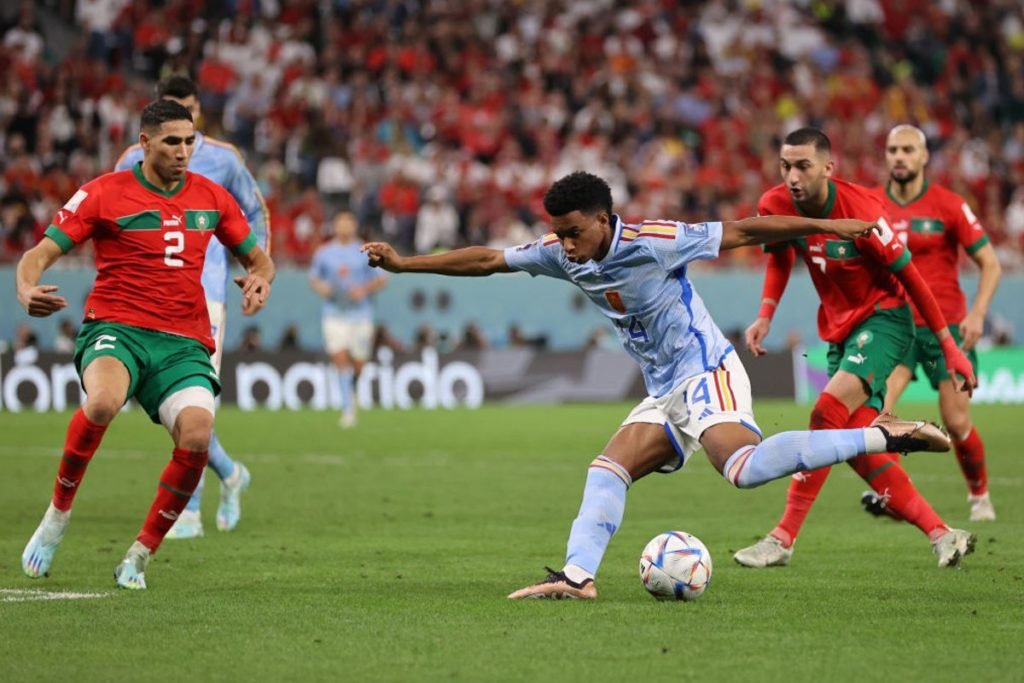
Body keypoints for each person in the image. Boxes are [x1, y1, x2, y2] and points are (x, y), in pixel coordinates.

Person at [363, 170, 953, 600]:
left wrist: (827, 225)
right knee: (606, 469)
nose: (565, 246)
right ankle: (577, 578)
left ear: (601, 220)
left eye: (573, 232)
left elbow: (749, 232)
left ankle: (883, 436)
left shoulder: (657, 239)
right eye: (558, 235)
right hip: (664, 387)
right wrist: (404, 264)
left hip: (707, 371)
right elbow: (489, 261)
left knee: (742, 469)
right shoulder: (563, 254)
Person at [18, 100, 275, 590]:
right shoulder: (102, 193)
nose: (183, 152)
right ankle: (56, 518)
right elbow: (39, 252)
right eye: (171, 142)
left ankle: (139, 555)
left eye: (189, 141)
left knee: (198, 436)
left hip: (183, 342)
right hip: (118, 328)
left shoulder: (214, 198)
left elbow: (259, 260)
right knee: (103, 402)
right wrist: (26, 287)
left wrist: (260, 280)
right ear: (144, 143)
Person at [733, 128, 977, 571]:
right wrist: (766, 313)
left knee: (825, 414)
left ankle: (782, 537)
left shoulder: (862, 212)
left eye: (803, 166)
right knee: (857, 447)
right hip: (840, 331)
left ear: (828, 168)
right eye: (785, 166)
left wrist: (950, 347)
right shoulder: (774, 204)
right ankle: (943, 533)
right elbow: (780, 254)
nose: (792, 176)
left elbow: (913, 279)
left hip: (885, 320)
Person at [114, 76, 271, 539]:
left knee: (193, 408)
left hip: (205, 299)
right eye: (172, 111)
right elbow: (109, 216)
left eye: (188, 110)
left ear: (198, 110)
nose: (183, 125)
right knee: (160, 405)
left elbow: (256, 211)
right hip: (142, 301)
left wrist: (258, 267)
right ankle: (230, 472)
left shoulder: (223, 159)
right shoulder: (130, 161)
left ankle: (190, 510)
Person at [859, 125, 1002, 522]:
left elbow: (990, 263)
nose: (899, 156)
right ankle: (895, 497)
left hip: (947, 330)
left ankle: (980, 497)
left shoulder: (949, 205)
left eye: (908, 149)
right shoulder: (872, 205)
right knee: (877, 417)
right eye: (892, 150)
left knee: (956, 420)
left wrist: (977, 314)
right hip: (895, 327)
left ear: (924, 157)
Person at [309, 211, 389, 428]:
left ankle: (351, 390)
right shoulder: (324, 252)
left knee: (359, 363)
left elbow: (382, 278)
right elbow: (314, 279)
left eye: (348, 222)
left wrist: (364, 289)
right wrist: (323, 288)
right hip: (334, 314)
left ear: (354, 226)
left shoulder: (364, 250)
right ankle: (348, 409)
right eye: (340, 222)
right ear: (334, 226)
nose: (344, 226)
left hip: (361, 314)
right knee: (340, 359)